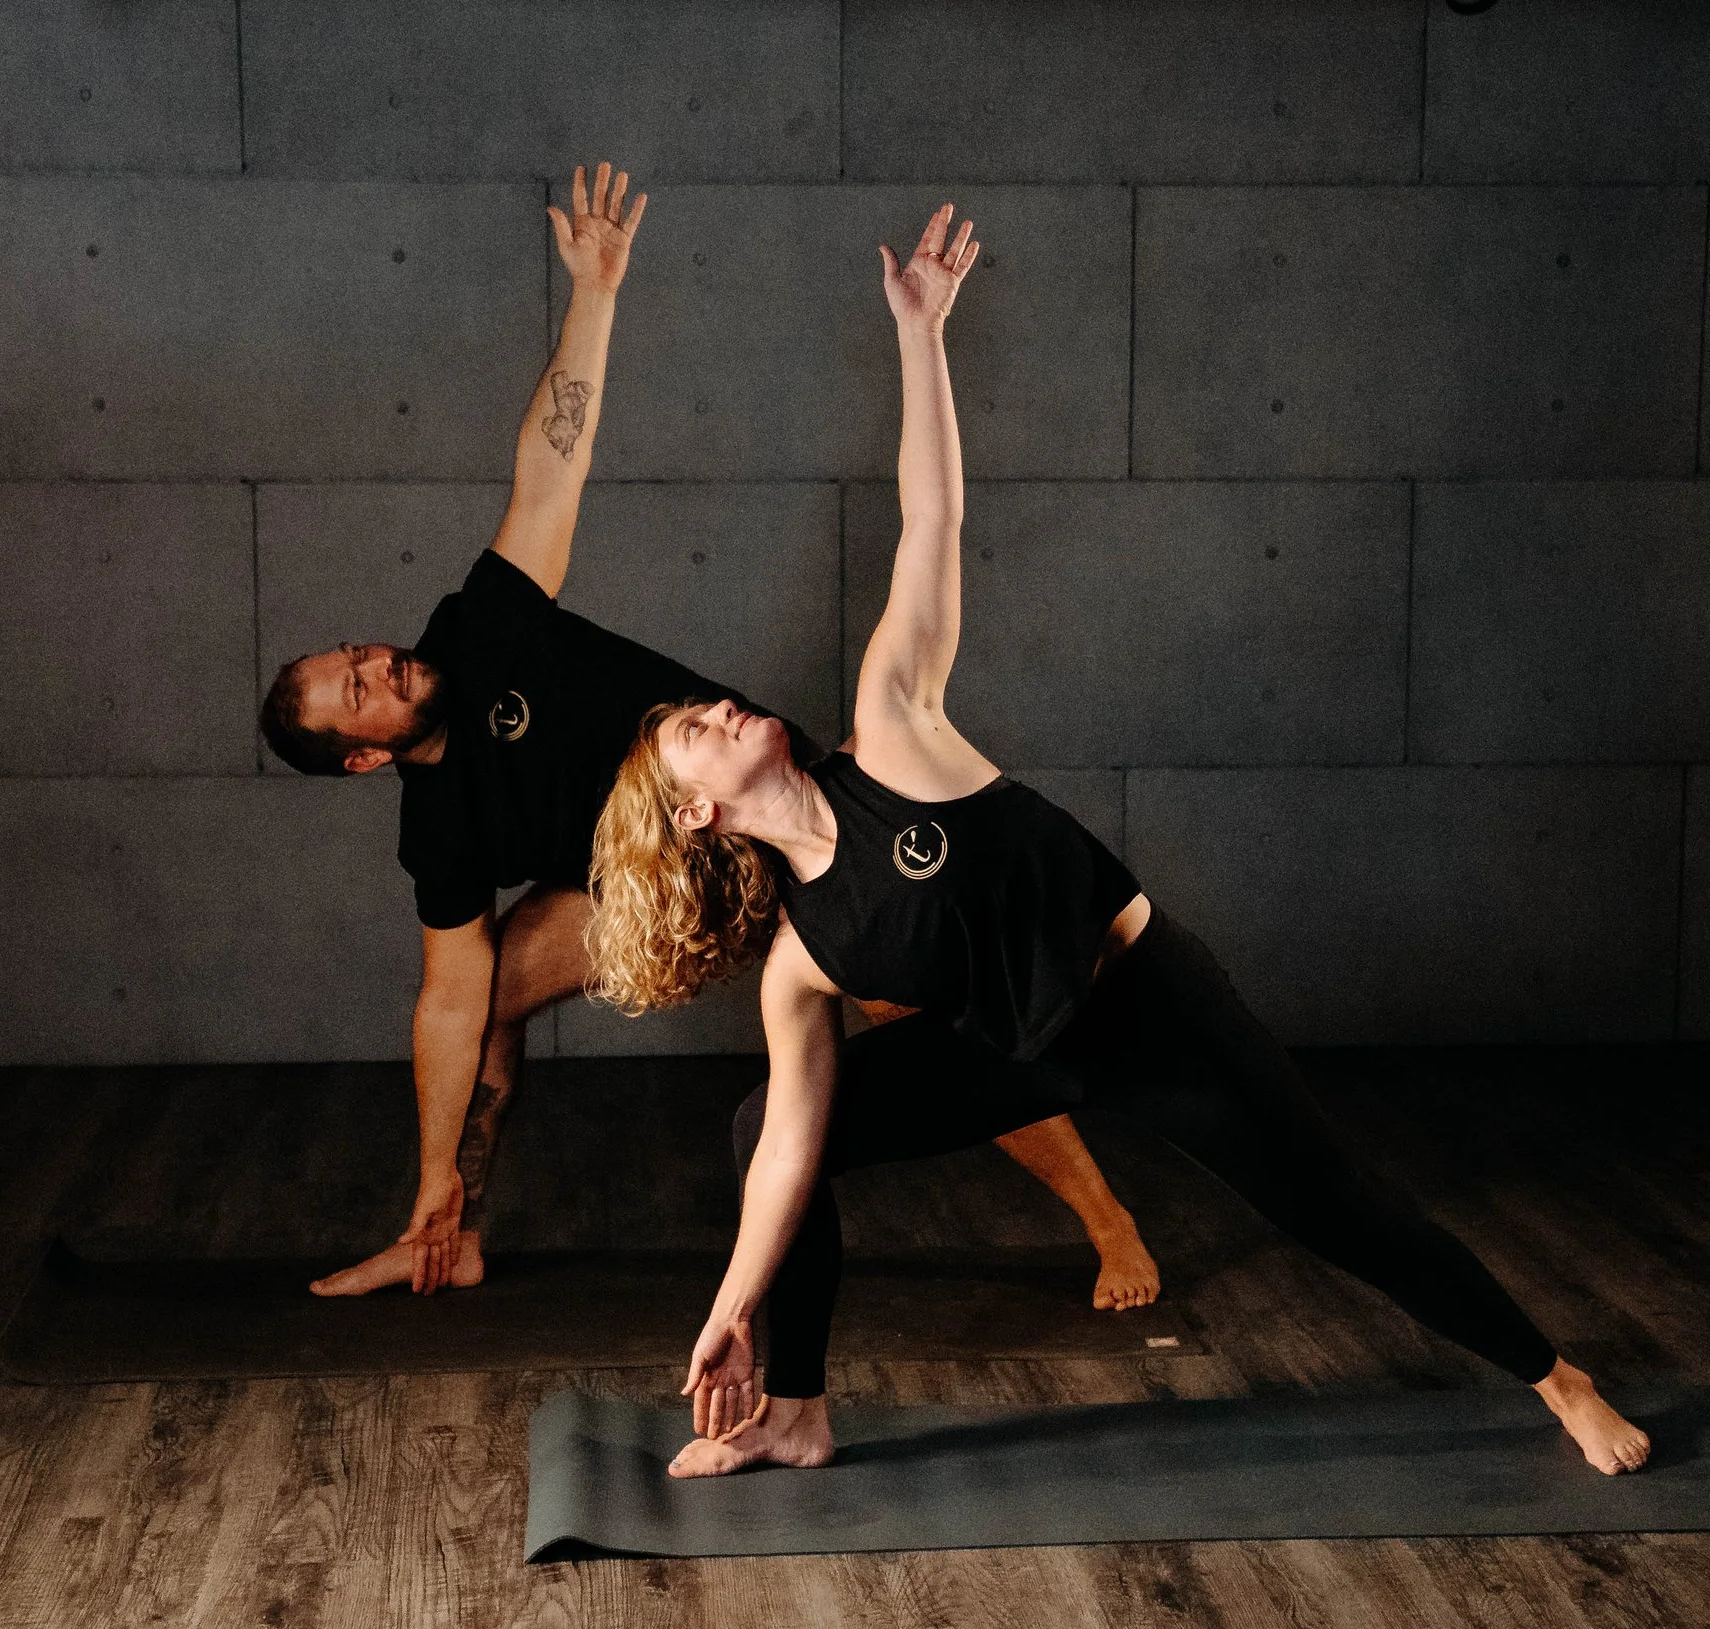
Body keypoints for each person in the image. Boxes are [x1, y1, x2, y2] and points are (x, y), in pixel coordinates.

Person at [586, 203, 1654, 1481]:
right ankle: (801, 1409)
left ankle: (1557, 1374)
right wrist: (728, 1311)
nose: (713, 708)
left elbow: (930, 523)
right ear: (698, 814)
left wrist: (920, 335)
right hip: (1017, 1058)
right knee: (780, 1115)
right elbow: (786, 1165)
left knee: (1342, 1213)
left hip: (1149, 1006)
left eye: (701, 709)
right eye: (692, 736)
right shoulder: (802, 962)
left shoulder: (891, 727)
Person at [256, 164, 1163, 1311]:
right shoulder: (437, 827)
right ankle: (449, 1231)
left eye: (357, 653)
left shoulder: (473, 630)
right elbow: (444, 1000)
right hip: (642, 870)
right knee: (477, 1002)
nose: (377, 664)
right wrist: (436, 1173)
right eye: (357, 690)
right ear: (364, 756)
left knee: (912, 1005)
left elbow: (550, 470)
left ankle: (1108, 1220)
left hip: (743, 808)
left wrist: (594, 290)